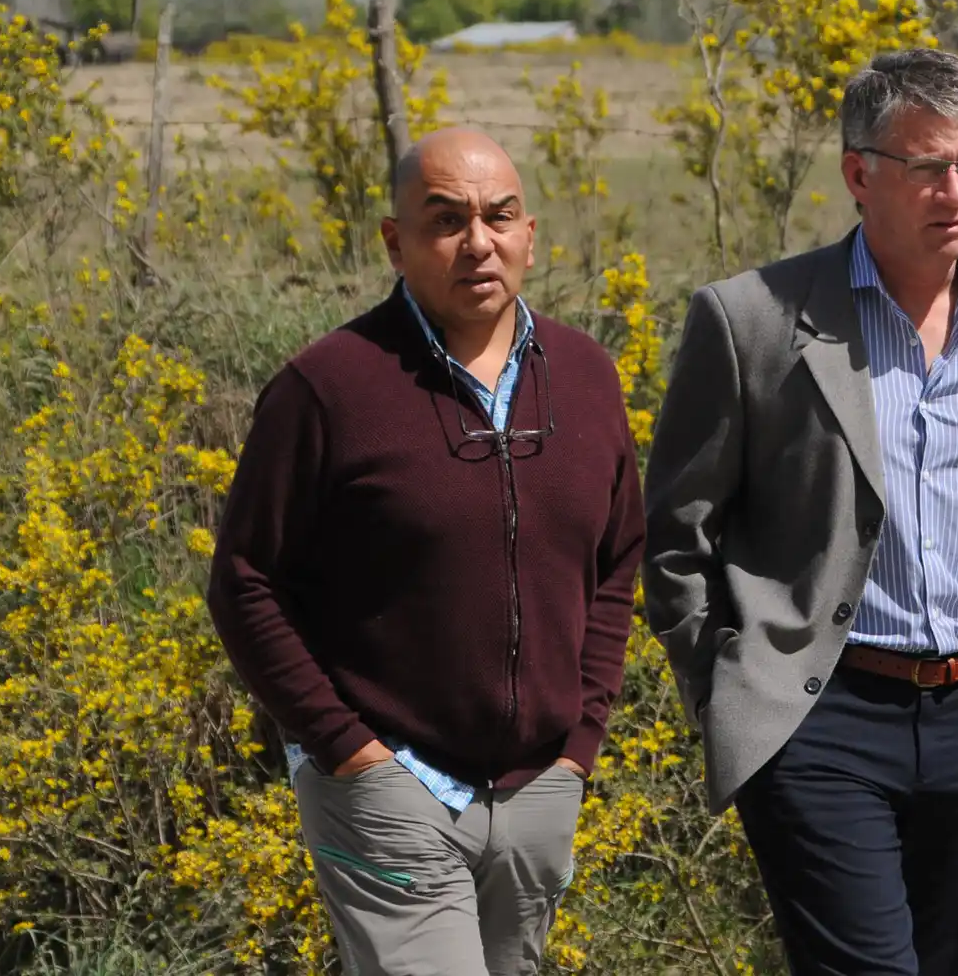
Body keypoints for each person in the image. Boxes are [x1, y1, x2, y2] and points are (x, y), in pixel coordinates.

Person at [641, 48, 958, 976]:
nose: (954, 191)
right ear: (859, 174)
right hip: (819, 717)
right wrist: (726, 685)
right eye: (925, 168)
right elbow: (677, 535)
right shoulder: (750, 318)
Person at [206, 126, 646, 976]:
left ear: (529, 233)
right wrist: (347, 749)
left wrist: (577, 744)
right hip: (390, 783)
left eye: (498, 216)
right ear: (394, 242)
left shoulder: (587, 374)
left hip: (538, 789)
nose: (477, 242)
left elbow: (618, 557)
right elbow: (245, 580)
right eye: (445, 220)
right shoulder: (328, 387)